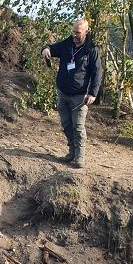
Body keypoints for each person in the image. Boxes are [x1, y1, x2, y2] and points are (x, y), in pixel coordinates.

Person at [42, 19, 103, 169]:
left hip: (80, 96)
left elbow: (97, 73)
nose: (74, 35)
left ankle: (79, 157)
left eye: (78, 32)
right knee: (67, 125)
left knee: (78, 126)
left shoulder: (91, 50)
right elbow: (51, 48)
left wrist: (93, 93)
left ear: (86, 32)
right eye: (73, 31)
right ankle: (72, 152)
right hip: (63, 92)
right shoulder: (67, 44)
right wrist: (46, 49)